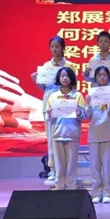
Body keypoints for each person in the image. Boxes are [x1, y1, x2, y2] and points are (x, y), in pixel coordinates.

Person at [31, 36, 76, 181]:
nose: (54, 49)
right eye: (52, 47)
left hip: (66, 105)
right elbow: (45, 88)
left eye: (57, 46)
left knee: (66, 139)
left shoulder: (70, 66)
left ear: (63, 48)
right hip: (50, 105)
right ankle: (53, 169)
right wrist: (36, 81)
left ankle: (66, 170)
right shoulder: (46, 67)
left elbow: (73, 86)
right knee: (51, 139)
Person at [46, 67, 86, 190]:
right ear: (58, 78)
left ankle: (71, 187)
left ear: (71, 78)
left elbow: (84, 116)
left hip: (72, 134)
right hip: (57, 133)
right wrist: (49, 114)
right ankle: (59, 187)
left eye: (67, 76)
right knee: (59, 165)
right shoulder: (53, 96)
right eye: (62, 76)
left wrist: (79, 113)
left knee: (72, 164)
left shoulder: (77, 95)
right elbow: (49, 118)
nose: (65, 78)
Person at [85, 66, 110, 204]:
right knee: (94, 165)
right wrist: (88, 105)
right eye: (99, 75)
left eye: (104, 75)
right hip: (94, 132)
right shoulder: (91, 94)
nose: (102, 77)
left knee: (108, 165)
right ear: (95, 78)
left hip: (108, 132)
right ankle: (96, 192)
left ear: (108, 77)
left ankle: (107, 193)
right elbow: (88, 116)